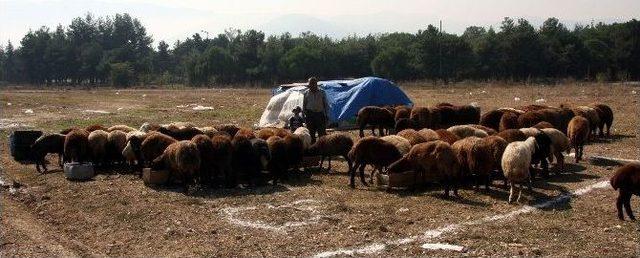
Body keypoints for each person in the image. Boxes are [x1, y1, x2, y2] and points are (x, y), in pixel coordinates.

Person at [302, 77, 329, 143]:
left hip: (320, 114)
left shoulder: (322, 92)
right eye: (309, 84)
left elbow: (326, 104)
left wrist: (327, 115)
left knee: (322, 134)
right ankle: (313, 149)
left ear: (315, 84)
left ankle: (322, 149)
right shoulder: (306, 93)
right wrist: (304, 115)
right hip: (310, 115)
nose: (310, 86)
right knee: (311, 134)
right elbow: (304, 105)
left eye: (311, 84)